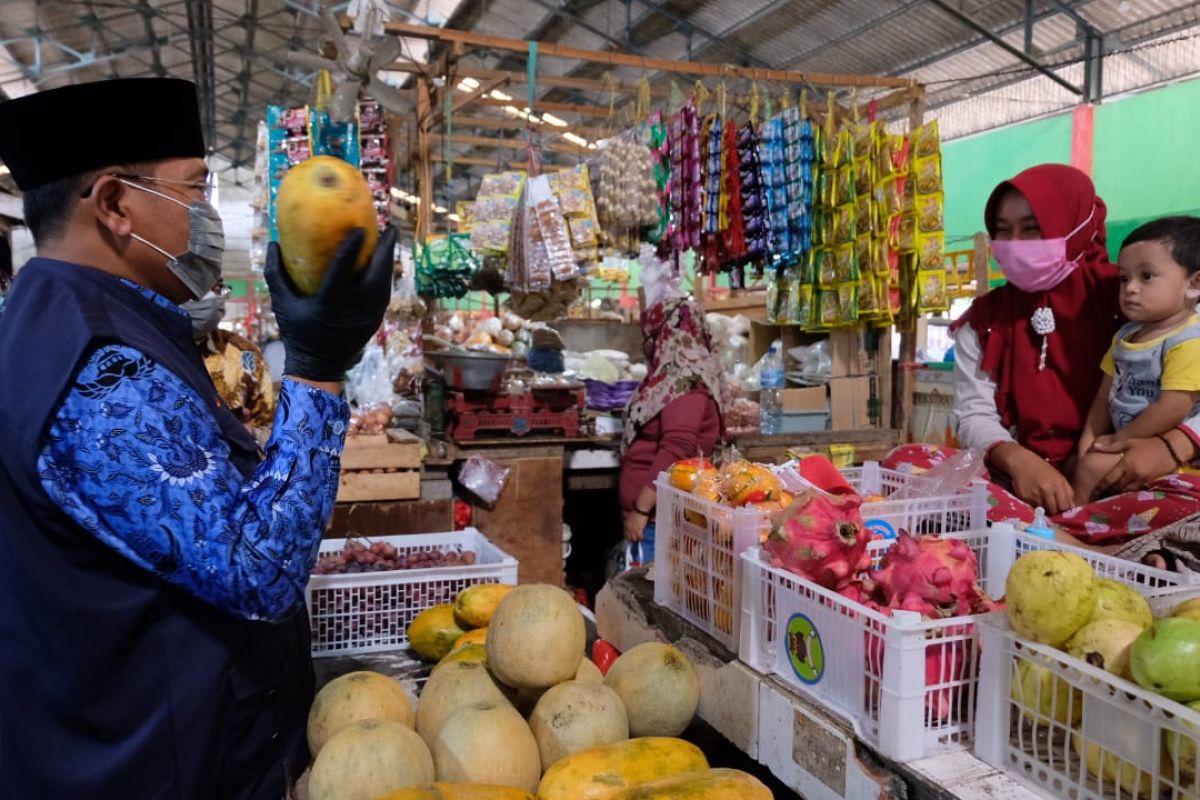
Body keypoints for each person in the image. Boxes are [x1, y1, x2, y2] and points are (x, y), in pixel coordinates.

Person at [0, 78, 395, 798]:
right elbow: (258, 571)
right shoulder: (102, 373)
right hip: (154, 765)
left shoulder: (64, 318)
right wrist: (316, 367)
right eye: (194, 188)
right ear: (115, 204)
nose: (207, 214)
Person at [886, 164, 1200, 547]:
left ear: (1076, 225)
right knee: (908, 462)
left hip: (1128, 476)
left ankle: (1043, 538)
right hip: (1023, 487)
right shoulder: (983, 320)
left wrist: (1172, 446)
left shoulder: (1136, 299)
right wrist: (1019, 461)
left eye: (1032, 228)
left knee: (1186, 501)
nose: (1016, 242)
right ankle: (1082, 543)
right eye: (1003, 230)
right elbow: (974, 414)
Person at [1074, 218, 1200, 504]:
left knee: (1093, 467)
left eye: (1146, 276)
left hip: (1173, 455)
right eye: (1124, 278)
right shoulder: (1125, 336)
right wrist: (1088, 440)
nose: (1130, 288)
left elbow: (1173, 407)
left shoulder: (1189, 341)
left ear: (1194, 284)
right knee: (1085, 462)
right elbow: (1104, 397)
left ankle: (1072, 528)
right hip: (1130, 441)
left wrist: (1119, 440)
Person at [619, 252, 727, 565]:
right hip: (654, 520)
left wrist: (641, 510)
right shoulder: (674, 376)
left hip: (658, 523)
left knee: (650, 604)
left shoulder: (686, 379)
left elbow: (676, 449)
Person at [183, 288, 277, 435]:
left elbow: (265, 422)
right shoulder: (143, 349)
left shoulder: (244, 353)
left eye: (217, 287)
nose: (211, 296)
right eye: (198, 286)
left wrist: (252, 435)